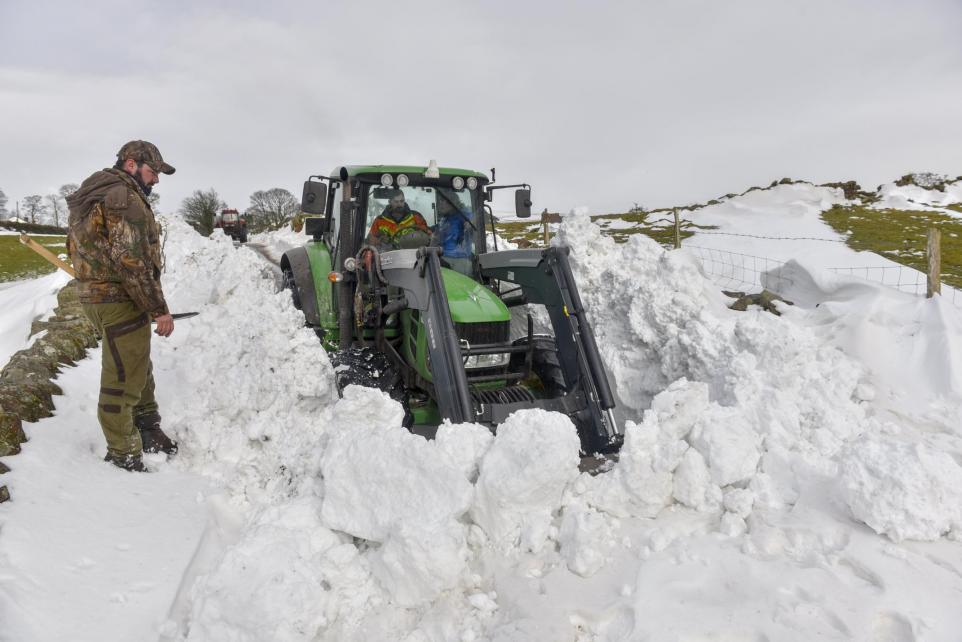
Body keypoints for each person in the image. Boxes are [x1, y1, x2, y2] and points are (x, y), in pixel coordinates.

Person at [66, 140, 178, 472]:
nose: (156, 179)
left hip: (104, 297)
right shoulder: (122, 197)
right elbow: (132, 260)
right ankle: (122, 453)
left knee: (136, 362)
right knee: (122, 377)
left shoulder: (96, 192)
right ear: (131, 165)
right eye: (153, 171)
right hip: (118, 298)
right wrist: (158, 308)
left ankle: (148, 427)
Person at [366, 190, 431, 251]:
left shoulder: (415, 217)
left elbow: (427, 235)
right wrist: (380, 240)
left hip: (413, 254)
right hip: (387, 255)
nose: (399, 204)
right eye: (396, 202)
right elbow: (371, 240)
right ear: (390, 202)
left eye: (401, 201)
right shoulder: (380, 221)